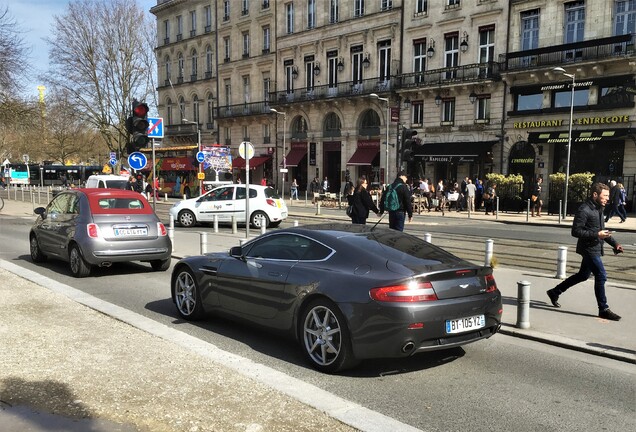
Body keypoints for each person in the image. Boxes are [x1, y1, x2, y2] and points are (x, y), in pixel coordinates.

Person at [546, 183, 623, 321]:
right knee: (601, 275)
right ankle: (603, 309)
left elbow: (602, 231)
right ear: (595, 195)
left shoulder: (599, 209)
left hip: (595, 247)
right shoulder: (584, 209)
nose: (607, 199)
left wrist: (615, 243)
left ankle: (554, 292)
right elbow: (576, 231)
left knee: (583, 275)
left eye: (608, 196)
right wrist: (597, 234)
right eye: (605, 196)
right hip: (588, 249)